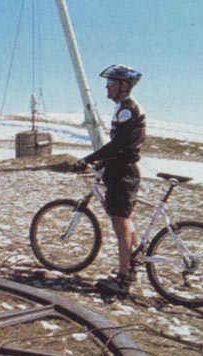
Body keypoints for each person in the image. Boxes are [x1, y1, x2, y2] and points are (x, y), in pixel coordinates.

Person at [74, 64, 145, 296]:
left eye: (111, 82)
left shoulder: (127, 109)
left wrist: (89, 158)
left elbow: (118, 144)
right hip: (121, 169)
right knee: (125, 220)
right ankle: (131, 266)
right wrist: (103, 162)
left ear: (123, 86)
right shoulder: (123, 108)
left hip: (123, 173)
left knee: (121, 224)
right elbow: (120, 147)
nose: (107, 87)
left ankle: (123, 280)